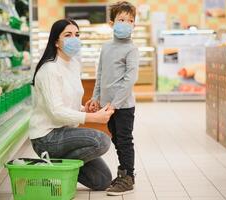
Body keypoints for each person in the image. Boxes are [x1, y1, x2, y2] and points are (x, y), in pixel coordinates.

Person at [29, 18, 114, 191]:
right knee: (102, 141)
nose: (74, 39)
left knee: (103, 180)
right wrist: (92, 118)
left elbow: (67, 103)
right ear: (56, 42)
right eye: (68, 35)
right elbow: (56, 112)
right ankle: (53, 171)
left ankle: (55, 166)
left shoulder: (73, 64)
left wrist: (84, 108)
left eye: (77, 34)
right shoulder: (49, 69)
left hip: (66, 133)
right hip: (47, 137)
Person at [86, 1, 139, 196]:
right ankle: (124, 172)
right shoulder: (106, 47)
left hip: (123, 106)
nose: (126, 23)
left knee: (125, 140)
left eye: (130, 20)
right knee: (116, 139)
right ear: (112, 23)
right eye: (121, 19)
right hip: (108, 106)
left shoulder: (131, 49)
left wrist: (114, 105)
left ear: (135, 25)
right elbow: (100, 74)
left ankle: (128, 177)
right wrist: (95, 98)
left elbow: (129, 79)